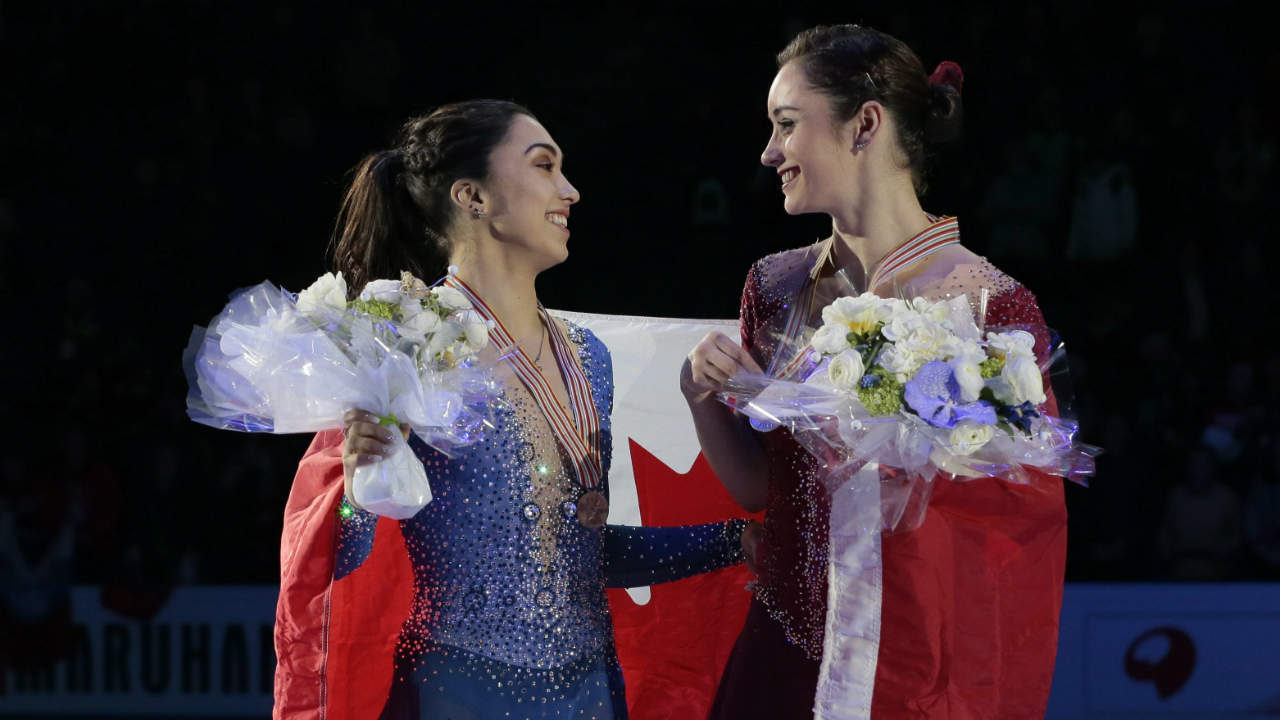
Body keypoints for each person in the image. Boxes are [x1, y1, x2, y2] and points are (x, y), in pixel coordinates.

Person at [275, 100, 747, 719]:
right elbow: (339, 563)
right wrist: (360, 492)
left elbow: (585, 552)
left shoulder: (587, 357)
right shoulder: (410, 343)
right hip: (457, 694)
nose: (570, 191)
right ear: (472, 196)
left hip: (592, 695)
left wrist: (737, 539)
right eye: (545, 166)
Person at [682, 25, 1068, 719]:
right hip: (782, 654)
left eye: (787, 125)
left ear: (864, 124)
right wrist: (704, 397)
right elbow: (762, 489)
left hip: (909, 668)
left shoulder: (988, 303)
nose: (769, 152)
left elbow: (1015, 521)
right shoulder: (772, 285)